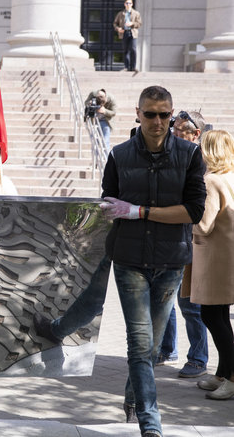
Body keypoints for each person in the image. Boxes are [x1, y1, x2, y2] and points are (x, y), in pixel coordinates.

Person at [99, 85, 206, 437]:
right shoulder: (118, 154)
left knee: (153, 345)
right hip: (129, 259)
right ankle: (150, 423)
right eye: (151, 114)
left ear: (171, 116)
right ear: (137, 113)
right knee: (140, 342)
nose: (158, 121)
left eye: (164, 115)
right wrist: (119, 211)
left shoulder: (191, 154)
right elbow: (108, 202)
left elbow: (193, 210)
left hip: (171, 259)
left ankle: (132, 394)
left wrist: (140, 211)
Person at [156, 110, 209, 379]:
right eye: (173, 129)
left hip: (194, 241)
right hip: (170, 238)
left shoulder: (203, 162)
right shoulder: (171, 155)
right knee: (164, 297)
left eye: (180, 130)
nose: (174, 134)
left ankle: (199, 359)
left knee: (189, 305)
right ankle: (166, 350)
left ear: (196, 134)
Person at [183, 129, 234, 400]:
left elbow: (203, 225)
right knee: (219, 315)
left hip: (215, 258)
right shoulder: (230, 176)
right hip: (226, 257)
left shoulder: (212, 181)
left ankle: (232, 376)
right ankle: (223, 373)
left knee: (212, 316)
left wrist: (183, 214)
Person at [114, 0, 142, 72]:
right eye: (127, 3)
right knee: (126, 50)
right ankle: (126, 67)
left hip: (133, 33)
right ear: (124, 4)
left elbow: (139, 24)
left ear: (132, 4)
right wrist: (118, 29)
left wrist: (132, 23)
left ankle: (133, 67)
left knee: (133, 49)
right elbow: (115, 23)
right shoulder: (121, 14)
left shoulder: (136, 13)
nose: (128, 4)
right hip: (124, 33)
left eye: (129, 3)